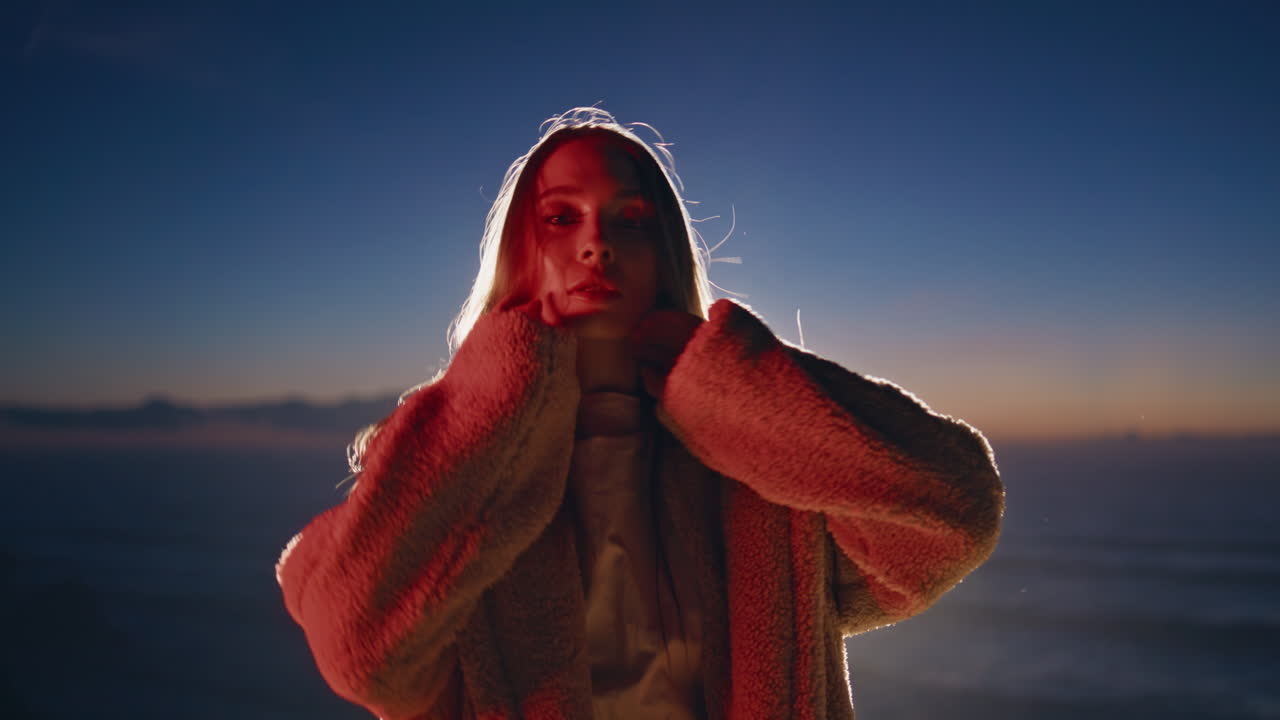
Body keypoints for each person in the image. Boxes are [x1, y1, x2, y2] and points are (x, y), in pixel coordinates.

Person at [274, 107, 1004, 720]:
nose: (598, 243)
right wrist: (498, 404)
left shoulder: (757, 469)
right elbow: (360, 652)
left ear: (663, 257)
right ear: (518, 255)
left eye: (631, 221)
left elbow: (954, 511)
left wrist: (734, 385)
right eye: (561, 218)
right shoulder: (452, 470)